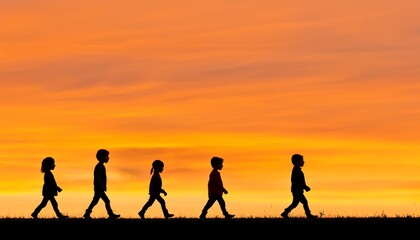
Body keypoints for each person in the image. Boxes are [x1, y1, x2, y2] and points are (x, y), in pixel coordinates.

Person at [83, 149, 120, 219]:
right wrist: (102, 186)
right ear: (101, 157)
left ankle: (87, 213)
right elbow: (97, 177)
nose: (108, 158)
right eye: (106, 156)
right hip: (99, 188)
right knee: (106, 201)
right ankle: (110, 214)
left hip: (98, 187)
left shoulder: (101, 166)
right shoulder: (99, 166)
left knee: (95, 201)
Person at [281, 153, 317, 218]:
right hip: (297, 190)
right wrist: (305, 187)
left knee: (295, 203)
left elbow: (300, 182)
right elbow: (299, 182)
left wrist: (304, 187)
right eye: (302, 160)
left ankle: (285, 212)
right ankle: (308, 215)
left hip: (297, 190)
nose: (303, 162)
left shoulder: (297, 170)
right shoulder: (297, 171)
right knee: (304, 202)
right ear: (297, 162)